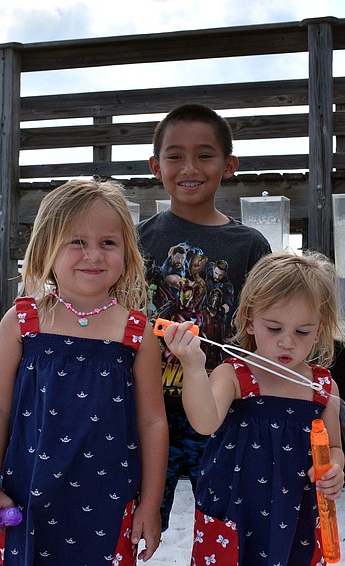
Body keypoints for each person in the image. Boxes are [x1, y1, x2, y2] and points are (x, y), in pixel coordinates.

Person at [0, 179, 168, 565]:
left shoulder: (137, 332)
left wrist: (151, 504)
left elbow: (152, 423)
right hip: (28, 496)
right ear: (46, 248)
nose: (93, 255)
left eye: (108, 242)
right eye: (76, 241)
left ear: (127, 253)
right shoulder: (21, 322)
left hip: (111, 501)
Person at [160, 251, 345, 565]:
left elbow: (334, 447)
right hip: (235, 510)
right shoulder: (234, 375)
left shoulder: (322, 386)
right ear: (249, 321)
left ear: (319, 330)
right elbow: (204, 422)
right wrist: (192, 367)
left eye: (302, 332)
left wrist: (334, 469)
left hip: (296, 515)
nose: (287, 342)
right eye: (274, 328)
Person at [137, 103, 272, 531]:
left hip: (220, 413)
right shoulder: (135, 239)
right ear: (156, 167)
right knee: (135, 523)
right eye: (175, 156)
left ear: (229, 165)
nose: (189, 167)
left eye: (205, 155)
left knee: (226, 527)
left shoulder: (249, 245)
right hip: (146, 410)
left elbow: (264, 331)